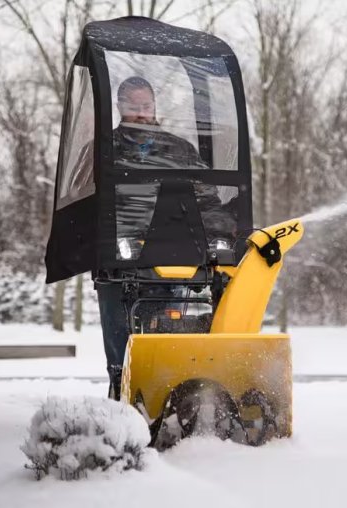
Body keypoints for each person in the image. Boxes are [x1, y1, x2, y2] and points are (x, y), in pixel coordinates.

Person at [96, 76, 235, 400]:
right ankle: (122, 390)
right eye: (134, 107)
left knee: (168, 328)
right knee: (120, 328)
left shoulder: (178, 150)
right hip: (120, 259)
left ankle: (171, 395)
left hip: (170, 254)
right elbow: (91, 200)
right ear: (119, 107)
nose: (142, 114)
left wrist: (217, 234)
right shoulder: (105, 150)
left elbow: (206, 198)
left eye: (146, 106)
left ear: (155, 105)